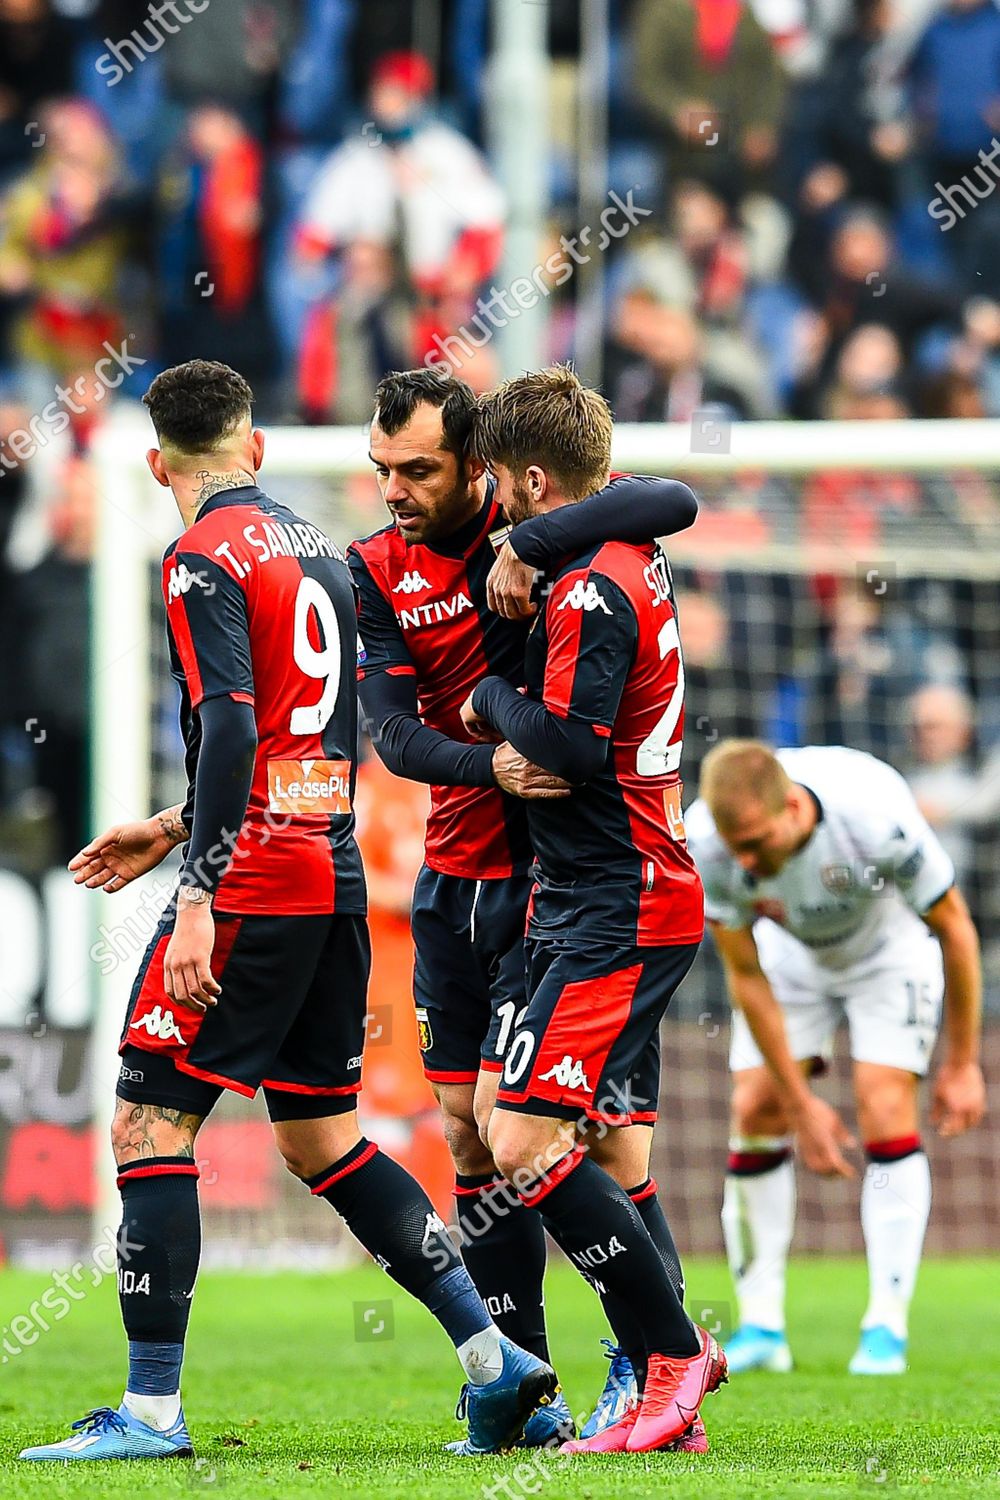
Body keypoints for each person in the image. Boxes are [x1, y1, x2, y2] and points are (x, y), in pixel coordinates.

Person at [19, 359, 558, 1464]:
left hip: (253, 883)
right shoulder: (321, 551)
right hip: (332, 873)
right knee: (323, 1139)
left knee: (145, 1126)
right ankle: (495, 1365)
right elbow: (303, 743)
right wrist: (171, 830)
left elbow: (227, 725)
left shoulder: (198, 556)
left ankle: (152, 1415)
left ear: (159, 464)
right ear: (258, 451)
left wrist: (202, 887)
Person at [348, 367, 702, 1446]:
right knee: (468, 1137)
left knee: (581, 1143)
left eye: (418, 470)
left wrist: (526, 544)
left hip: (576, 887)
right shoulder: (374, 566)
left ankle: (654, 1366)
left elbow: (669, 499)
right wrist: (488, 759)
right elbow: (391, 732)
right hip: (463, 883)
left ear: (481, 471)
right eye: (382, 470)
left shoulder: (548, 534)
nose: (397, 489)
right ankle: (517, 1383)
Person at [462, 366, 726, 1456]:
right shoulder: (622, 555)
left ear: (532, 481)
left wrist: (482, 698)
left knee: (523, 1140)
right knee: (523, 1122)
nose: (496, 516)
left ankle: (670, 1355)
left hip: (617, 900)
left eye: (499, 491)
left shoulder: (587, 589)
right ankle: (666, 1369)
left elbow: (567, 751)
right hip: (584, 897)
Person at [685, 739, 986, 1377]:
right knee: (755, 1108)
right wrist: (801, 1107)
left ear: (793, 807)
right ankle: (762, 1327)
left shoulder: (874, 810)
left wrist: (961, 1063)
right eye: (736, 846)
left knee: (882, 1104)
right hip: (790, 962)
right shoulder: (707, 840)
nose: (746, 860)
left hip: (887, 950)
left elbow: (956, 929)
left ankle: (885, 1327)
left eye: (758, 843)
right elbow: (746, 974)